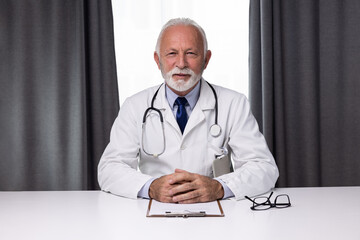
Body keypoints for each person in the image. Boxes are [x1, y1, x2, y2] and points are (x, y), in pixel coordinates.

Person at [98, 18, 279, 204]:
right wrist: (151, 187)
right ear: (157, 60)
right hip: (153, 209)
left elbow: (263, 168)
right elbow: (109, 169)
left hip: (215, 210)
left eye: (191, 53)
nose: (181, 63)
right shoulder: (135, 106)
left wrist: (218, 187)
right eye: (171, 53)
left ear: (206, 59)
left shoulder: (234, 103)